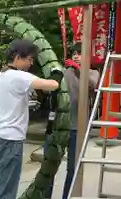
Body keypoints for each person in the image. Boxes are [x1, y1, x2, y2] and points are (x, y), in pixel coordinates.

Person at [0, 39, 59, 199]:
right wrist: (56, 73)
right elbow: (52, 85)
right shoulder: (18, 76)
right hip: (10, 140)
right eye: (29, 59)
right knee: (7, 191)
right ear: (17, 57)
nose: (31, 63)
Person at [44, 44, 99, 199]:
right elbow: (49, 87)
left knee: (73, 169)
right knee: (50, 166)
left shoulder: (93, 73)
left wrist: (79, 70)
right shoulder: (63, 72)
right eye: (74, 54)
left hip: (77, 128)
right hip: (58, 127)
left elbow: (92, 85)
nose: (76, 56)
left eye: (79, 54)